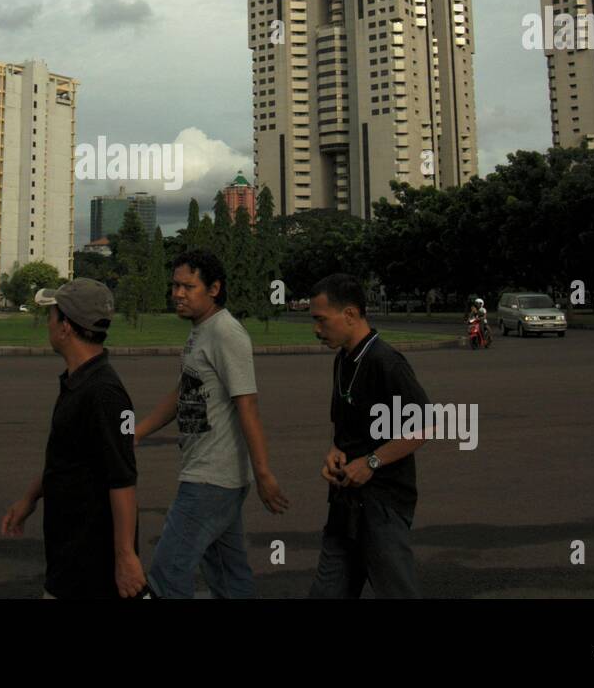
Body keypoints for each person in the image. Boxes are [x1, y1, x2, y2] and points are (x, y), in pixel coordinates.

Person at [134, 249, 289, 598]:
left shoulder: (225, 333)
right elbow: (182, 393)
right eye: (174, 286)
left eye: (188, 287)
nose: (177, 294)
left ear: (214, 288)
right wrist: (137, 432)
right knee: (228, 578)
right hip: (213, 476)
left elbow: (247, 402)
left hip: (210, 479)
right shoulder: (201, 332)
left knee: (167, 573)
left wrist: (264, 474)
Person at [0, 278, 147, 598]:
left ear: (66, 327)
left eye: (51, 315)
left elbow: (122, 478)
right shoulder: (78, 381)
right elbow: (65, 456)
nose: (47, 323)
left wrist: (125, 557)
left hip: (89, 566)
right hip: (69, 556)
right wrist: (30, 498)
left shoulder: (105, 393)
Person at [307, 274, 429, 598]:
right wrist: (334, 452)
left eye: (321, 320)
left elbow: (424, 426)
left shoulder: (386, 362)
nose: (316, 330)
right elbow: (344, 428)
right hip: (345, 502)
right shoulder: (343, 360)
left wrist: (371, 462)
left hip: (383, 506)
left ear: (349, 314)